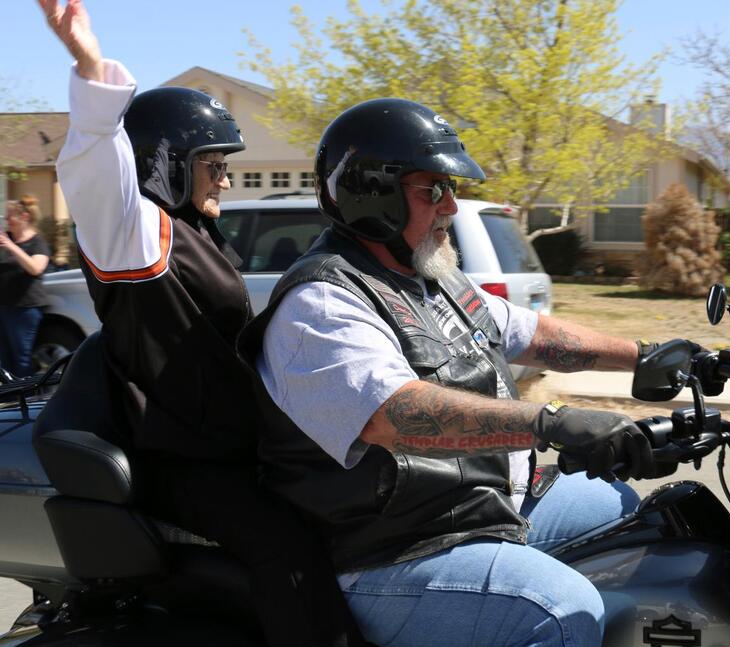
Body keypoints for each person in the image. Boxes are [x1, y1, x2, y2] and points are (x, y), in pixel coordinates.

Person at [240, 98, 684, 646]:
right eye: (433, 189)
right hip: (395, 548)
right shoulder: (323, 304)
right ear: (371, 194)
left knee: (638, 513)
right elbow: (395, 415)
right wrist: (551, 421)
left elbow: (532, 335)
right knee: (564, 611)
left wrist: (647, 355)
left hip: (480, 504)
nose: (451, 205)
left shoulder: (429, 275)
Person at [39, 1, 364, 645]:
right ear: (168, 162)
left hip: (235, 443)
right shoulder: (133, 234)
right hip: (184, 459)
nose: (224, 175)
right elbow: (97, 172)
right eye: (213, 164)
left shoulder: (196, 232)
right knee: (287, 550)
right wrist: (88, 65)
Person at [0, 198, 51, 377]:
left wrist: (12, 247)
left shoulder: (37, 242)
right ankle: (9, 399)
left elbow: (36, 268)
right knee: (3, 360)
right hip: (4, 306)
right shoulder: (6, 239)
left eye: (10, 216)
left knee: (21, 359)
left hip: (25, 309)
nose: (7, 220)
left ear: (24, 216)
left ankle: (27, 398)